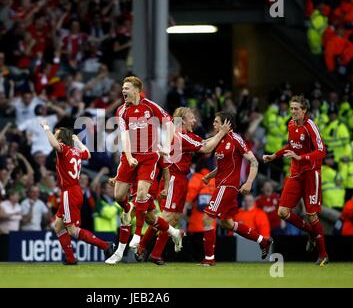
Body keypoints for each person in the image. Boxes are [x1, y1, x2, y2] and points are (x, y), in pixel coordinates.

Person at [104, 76, 184, 265]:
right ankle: (174, 232)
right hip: (129, 157)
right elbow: (124, 135)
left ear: (137, 90)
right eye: (122, 88)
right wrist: (129, 156)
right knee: (121, 198)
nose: (123, 91)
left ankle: (136, 237)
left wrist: (166, 145)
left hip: (149, 157)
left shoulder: (151, 107)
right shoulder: (121, 110)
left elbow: (170, 123)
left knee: (141, 195)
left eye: (127, 88)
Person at [135, 107, 230, 264]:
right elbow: (207, 149)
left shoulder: (188, 136)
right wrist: (221, 133)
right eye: (191, 118)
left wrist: (221, 135)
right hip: (172, 178)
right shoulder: (179, 136)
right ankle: (143, 246)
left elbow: (205, 142)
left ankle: (155, 254)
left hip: (180, 178)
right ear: (182, 120)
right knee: (167, 217)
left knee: (173, 219)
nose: (194, 121)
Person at [263, 95, 329, 266]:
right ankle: (311, 233)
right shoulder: (291, 124)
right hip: (295, 173)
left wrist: (301, 158)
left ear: (304, 110)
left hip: (311, 173)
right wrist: (274, 156)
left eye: (296, 109)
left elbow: (322, 151)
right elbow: (291, 146)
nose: (292, 111)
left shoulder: (310, 126)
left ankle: (323, 254)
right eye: (291, 108)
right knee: (282, 212)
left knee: (311, 214)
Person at [201, 111, 272, 267]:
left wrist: (248, 182)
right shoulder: (219, 139)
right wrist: (210, 176)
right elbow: (222, 166)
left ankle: (209, 259)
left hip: (228, 186)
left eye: (216, 122)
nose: (213, 124)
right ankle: (263, 241)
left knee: (207, 217)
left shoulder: (236, 139)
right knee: (227, 223)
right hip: (221, 184)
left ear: (226, 124)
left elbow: (254, 162)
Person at [40, 121, 115, 264]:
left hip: (69, 192)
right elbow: (88, 154)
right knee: (58, 225)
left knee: (73, 231)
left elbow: (55, 145)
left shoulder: (64, 149)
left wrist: (46, 128)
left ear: (61, 139)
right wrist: (78, 141)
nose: (54, 137)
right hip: (74, 191)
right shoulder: (75, 151)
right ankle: (70, 258)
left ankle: (106, 246)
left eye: (56, 135)